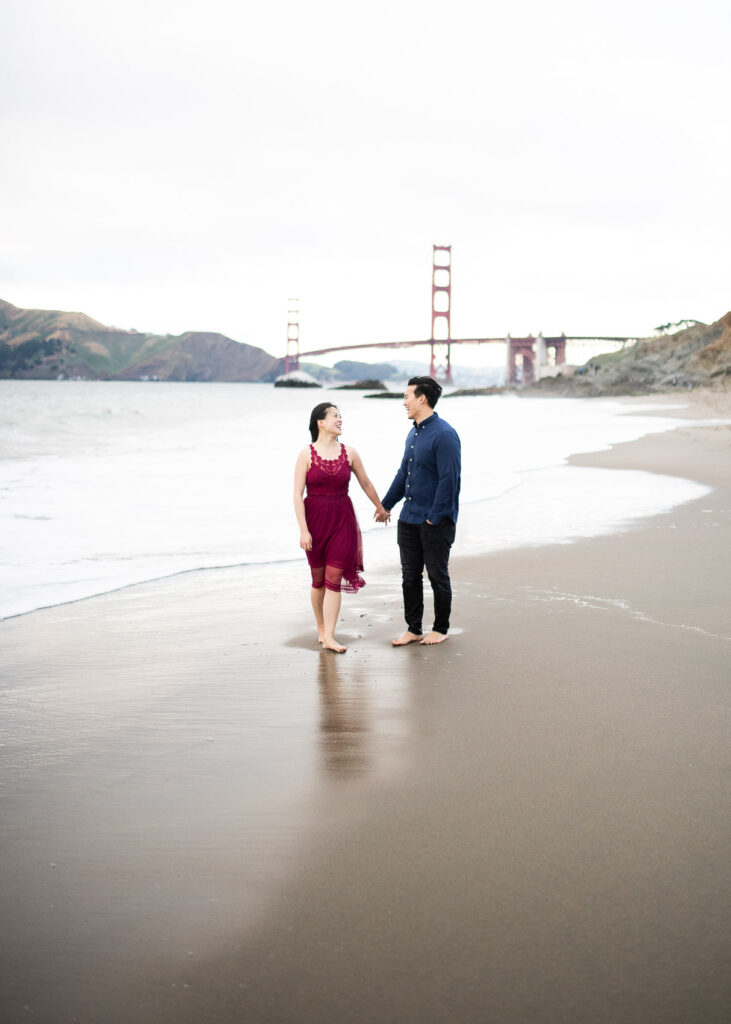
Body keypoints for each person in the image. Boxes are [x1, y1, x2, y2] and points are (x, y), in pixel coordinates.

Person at [294, 402, 390, 653]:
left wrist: (380, 507)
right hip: (315, 522)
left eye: (340, 416)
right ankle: (321, 628)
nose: (340, 420)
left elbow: (366, 483)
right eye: (335, 416)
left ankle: (330, 636)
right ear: (321, 422)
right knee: (318, 581)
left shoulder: (350, 452)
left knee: (333, 578)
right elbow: (297, 494)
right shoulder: (306, 454)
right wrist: (303, 530)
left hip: (342, 521)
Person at [375, 376, 461, 646]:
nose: (404, 402)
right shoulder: (413, 432)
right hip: (409, 518)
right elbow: (404, 474)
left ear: (422, 398)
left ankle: (441, 628)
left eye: (407, 396)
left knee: (437, 575)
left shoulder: (445, 435)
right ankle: (413, 629)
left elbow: (450, 480)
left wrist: (434, 518)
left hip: (435, 520)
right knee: (409, 577)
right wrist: (386, 505)